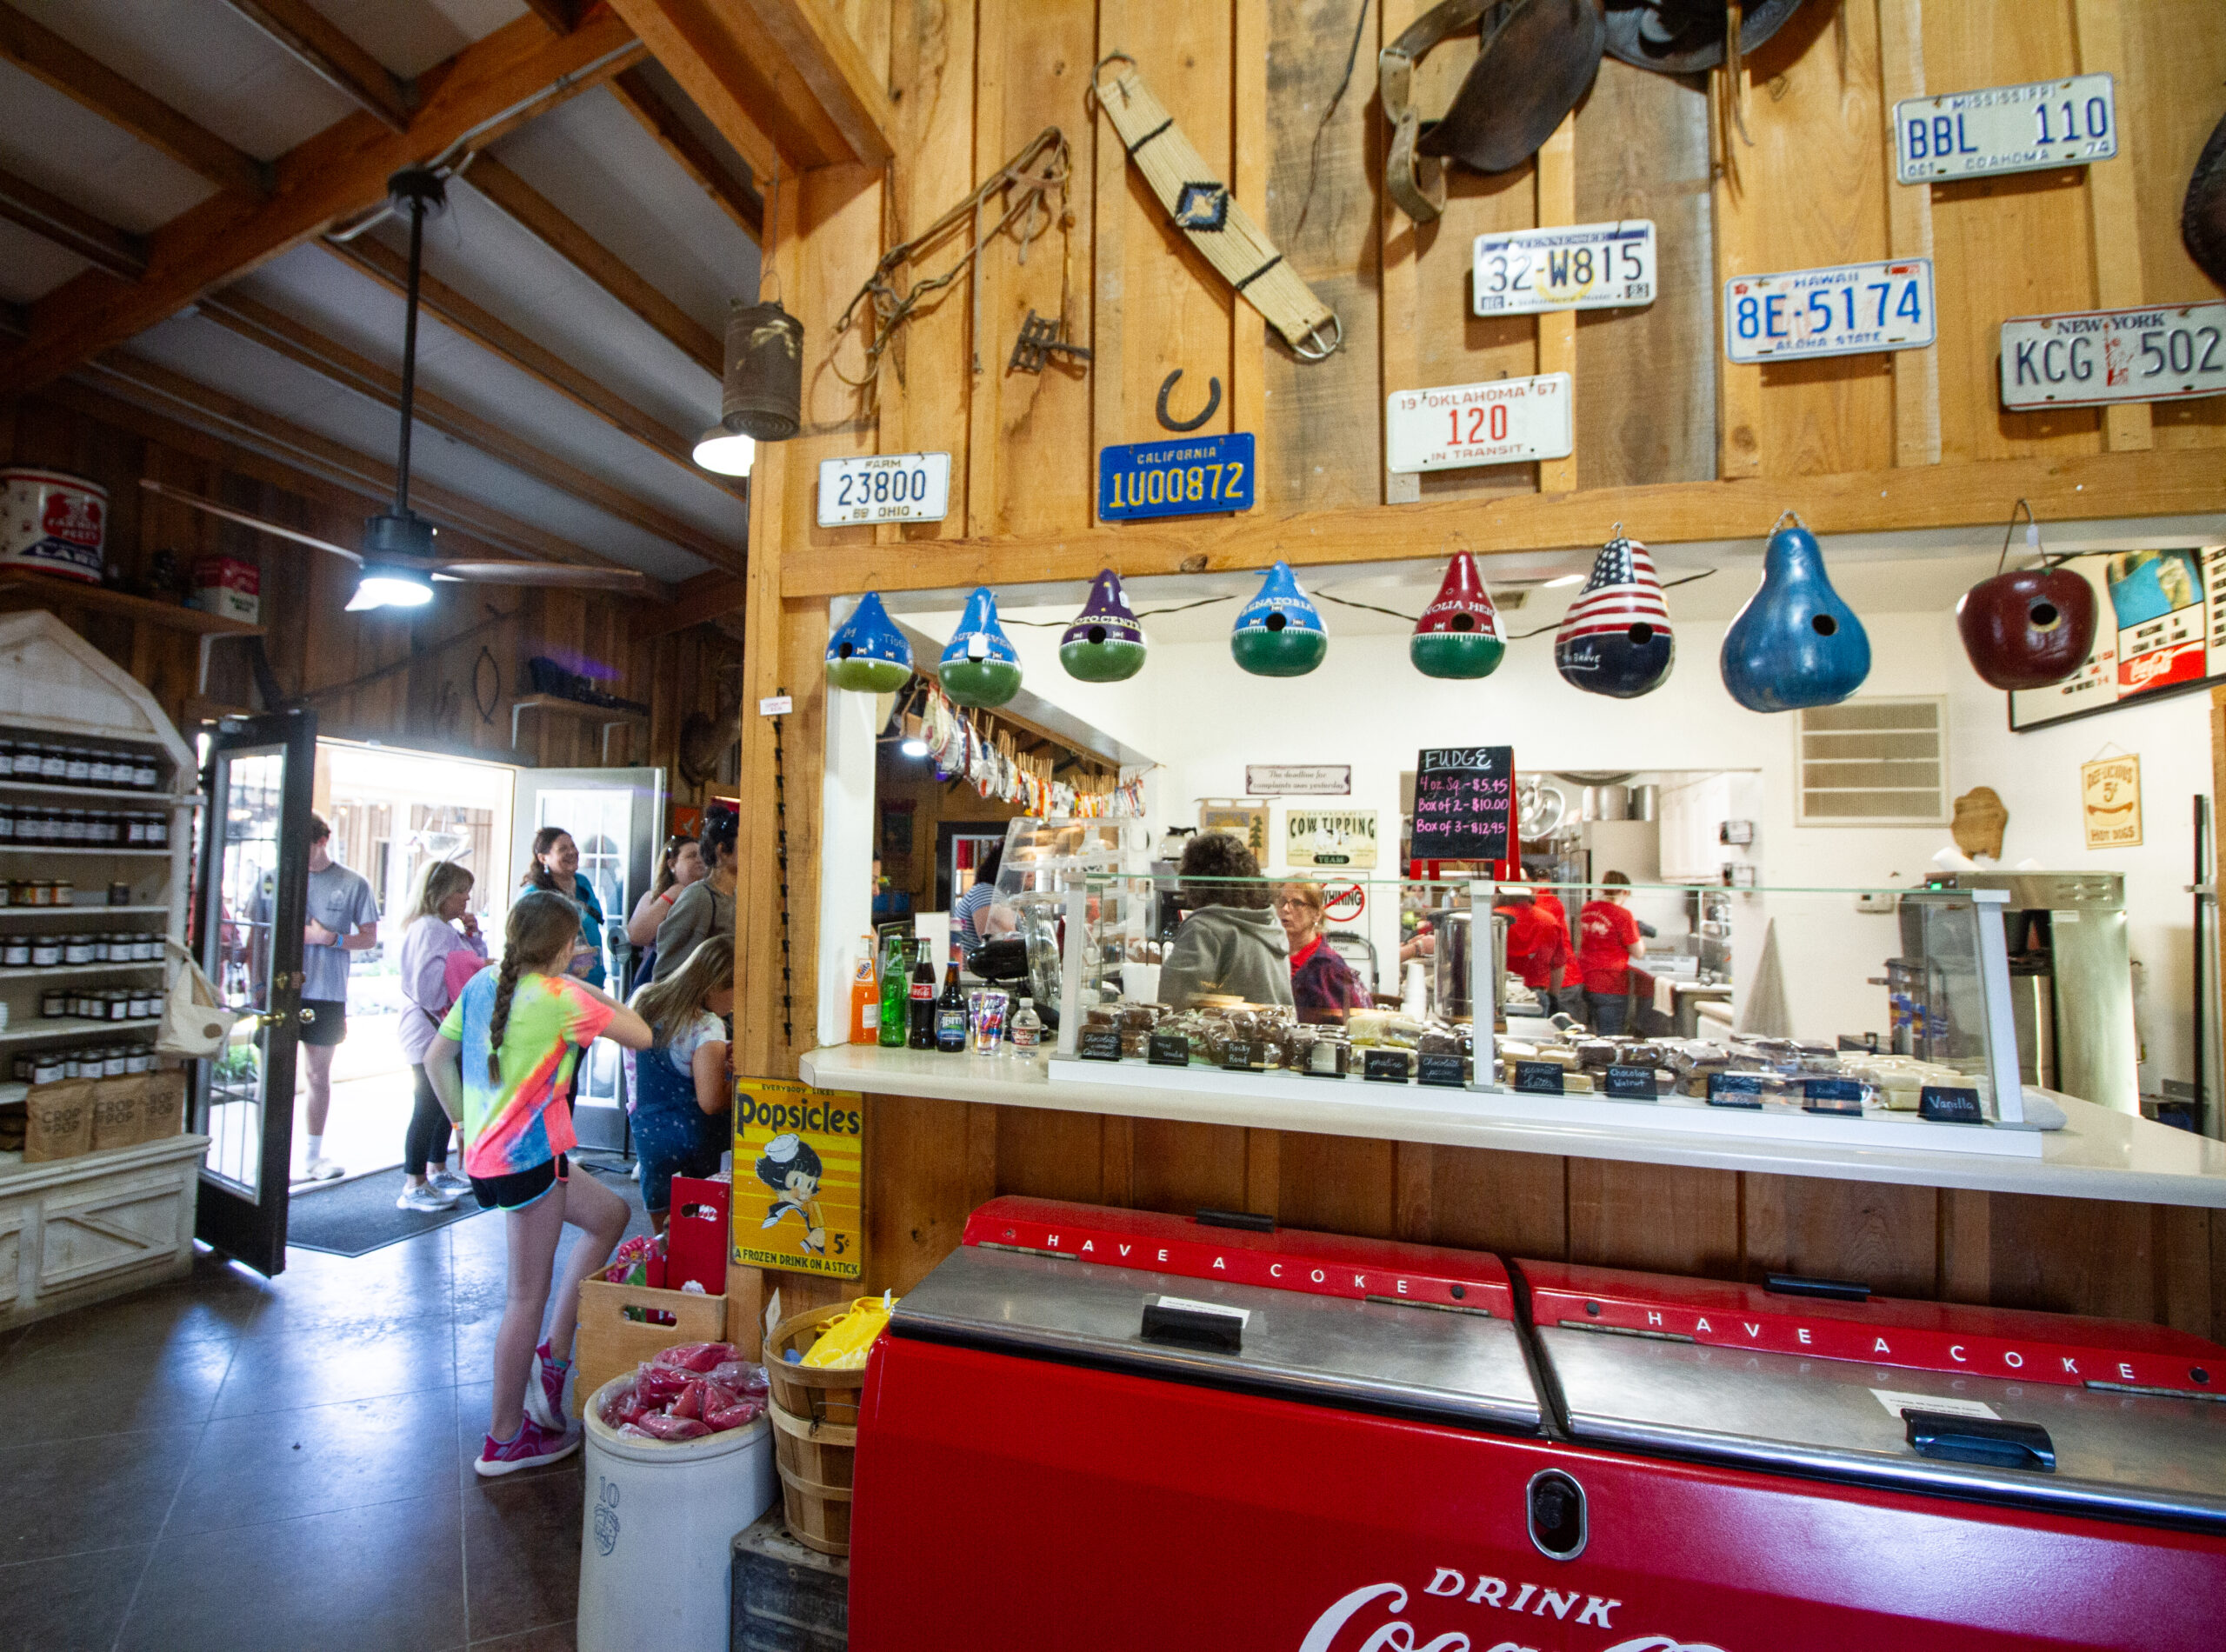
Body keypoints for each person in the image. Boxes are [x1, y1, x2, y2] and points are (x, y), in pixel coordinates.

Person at [424, 889, 654, 1475]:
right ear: (563, 946)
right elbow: (642, 1033)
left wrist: (459, 1122)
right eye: (576, 939)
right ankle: (504, 1438)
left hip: (493, 1158)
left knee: (608, 1216)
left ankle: (553, 1359)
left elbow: (435, 1060)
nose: (582, 948)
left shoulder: (483, 985)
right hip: (530, 1164)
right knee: (523, 1297)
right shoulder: (561, 999)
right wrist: (580, 981)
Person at [624, 934, 734, 1231]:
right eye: (736, 992)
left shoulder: (643, 1000)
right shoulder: (707, 1024)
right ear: (715, 986)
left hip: (648, 1132)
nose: (737, 1002)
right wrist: (739, 1079)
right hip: (696, 1137)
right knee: (698, 1232)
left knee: (664, 1237)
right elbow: (710, 1102)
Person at [396, 860, 488, 1211]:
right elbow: (428, 987)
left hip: (439, 1027)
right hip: (428, 1029)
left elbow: (469, 966)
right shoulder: (430, 929)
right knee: (429, 1104)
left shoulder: (440, 929)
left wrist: (472, 938)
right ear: (442, 894)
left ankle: (436, 1168)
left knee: (442, 1103)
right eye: (461, 891)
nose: (466, 898)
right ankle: (413, 1181)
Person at [298, 811, 380, 1181]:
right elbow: (256, 935)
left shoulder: (352, 883)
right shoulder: (274, 879)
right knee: (274, 1076)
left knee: (317, 1076)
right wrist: (258, 986)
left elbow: (368, 938)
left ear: (322, 841)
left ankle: (313, 1157)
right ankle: (268, 1157)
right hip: (282, 991)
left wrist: (330, 939)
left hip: (326, 993)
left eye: (305, 845)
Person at [1157, 833, 1293, 1012]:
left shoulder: (1205, 927)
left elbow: (1172, 1004)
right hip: (1272, 1035)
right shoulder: (1270, 922)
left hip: (1228, 1037)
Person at [653, 806, 737, 980]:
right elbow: (668, 972)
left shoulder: (738, 897)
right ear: (722, 851)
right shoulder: (700, 897)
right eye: (747, 844)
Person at [1276, 881, 1370, 1024]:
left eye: (1297, 903)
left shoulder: (1329, 966)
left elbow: (1348, 1024)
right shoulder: (1273, 954)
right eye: (1282, 901)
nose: (1285, 908)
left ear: (1316, 914)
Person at [523, 827, 606, 987]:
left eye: (573, 846)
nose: (571, 852)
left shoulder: (583, 883)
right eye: (562, 849)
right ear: (543, 858)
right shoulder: (533, 894)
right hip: (556, 987)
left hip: (592, 981)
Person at [626, 834, 703, 986]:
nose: (699, 860)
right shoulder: (652, 897)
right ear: (672, 864)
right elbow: (636, 936)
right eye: (691, 856)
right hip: (656, 980)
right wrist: (671, 895)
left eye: (702, 855)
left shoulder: (708, 897)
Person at [1578, 871, 1646, 1035]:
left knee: (1592, 1036)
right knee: (1610, 1039)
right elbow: (1638, 952)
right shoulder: (1623, 915)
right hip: (1611, 984)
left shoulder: (1587, 908)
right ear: (1624, 892)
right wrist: (1639, 933)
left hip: (1586, 979)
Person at [1494, 887, 1570, 1003]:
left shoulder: (1494, 919)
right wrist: (1553, 997)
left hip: (1499, 993)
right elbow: (1558, 966)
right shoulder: (1549, 920)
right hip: (1537, 996)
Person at [950, 842, 1005, 959]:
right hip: (979, 974)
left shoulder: (1001, 896)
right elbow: (1000, 946)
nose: (1030, 870)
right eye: (1021, 860)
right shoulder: (986, 892)